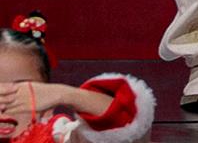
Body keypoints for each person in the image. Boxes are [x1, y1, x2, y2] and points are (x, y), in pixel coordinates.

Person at [0, 17, 152, 140]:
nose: (4, 105)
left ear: (46, 103)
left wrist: (65, 94)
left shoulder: (59, 135)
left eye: (20, 91)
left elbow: (125, 121)